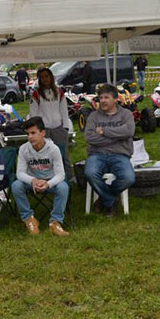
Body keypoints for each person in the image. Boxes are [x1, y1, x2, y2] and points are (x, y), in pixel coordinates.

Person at [11, 117, 69, 236]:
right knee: (16, 185)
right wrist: (33, 180)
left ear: (43, 133)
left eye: (33, 133)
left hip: (50, 181)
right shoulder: (23, 149)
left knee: (63, 187)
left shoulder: (53, 149)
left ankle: (55, 222)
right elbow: (20, 173)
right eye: (28, 134)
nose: (30, 137)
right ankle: (29, 219)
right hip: (32, 181)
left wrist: (48, 183)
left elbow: (61, 174)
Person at [84, 83, 136, 216]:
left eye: (106, 97)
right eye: (101, 98)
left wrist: (104, 131)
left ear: (115, 99)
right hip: (97, 155)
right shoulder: (94, 116)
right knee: (90, 173)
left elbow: (129, 131)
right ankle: (111, 200)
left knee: (129, 178)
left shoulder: (126, 114)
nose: (103, 101)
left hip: (120, 155)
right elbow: (89, 137)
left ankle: (103, 199)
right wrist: (117, 137)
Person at [28, 67, 73, 180]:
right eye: (42, 77)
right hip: (44, 130)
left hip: (59, 128)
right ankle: (46, 178)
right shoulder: (36, 94)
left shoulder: (59, 92)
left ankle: (69, 177)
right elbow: (33, 114)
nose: (45, 79)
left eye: (46, 76)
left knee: (63, 154)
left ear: (51, 77)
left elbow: (64, 111)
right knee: (44, 156)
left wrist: (65, 127)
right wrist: (37, 131)